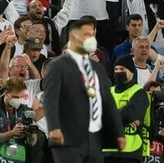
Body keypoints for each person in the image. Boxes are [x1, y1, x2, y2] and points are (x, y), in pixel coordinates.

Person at [43, 16, 125, 163]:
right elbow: (50, 99)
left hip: (94, 139)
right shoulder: (57, 66)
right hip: (67, 137)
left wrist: (119, 133)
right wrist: (54, 128)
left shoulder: (98, 68)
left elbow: (108, 102)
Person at [0, 76, 45, 163]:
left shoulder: (25, 111)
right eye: (15, 97)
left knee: (40, 136)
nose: (18, 100)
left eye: (21, 97)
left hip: (18, 155)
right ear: (6, 93)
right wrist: (12, 133)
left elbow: (31, 145)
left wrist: (32, 138)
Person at [102, 55, 150, 162]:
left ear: (132, 72)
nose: (118, 72)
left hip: (130, 151)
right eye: (116, 69)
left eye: (122, 69)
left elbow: (130, 114)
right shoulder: (108, 92)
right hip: (107, 150)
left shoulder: (139, 92)